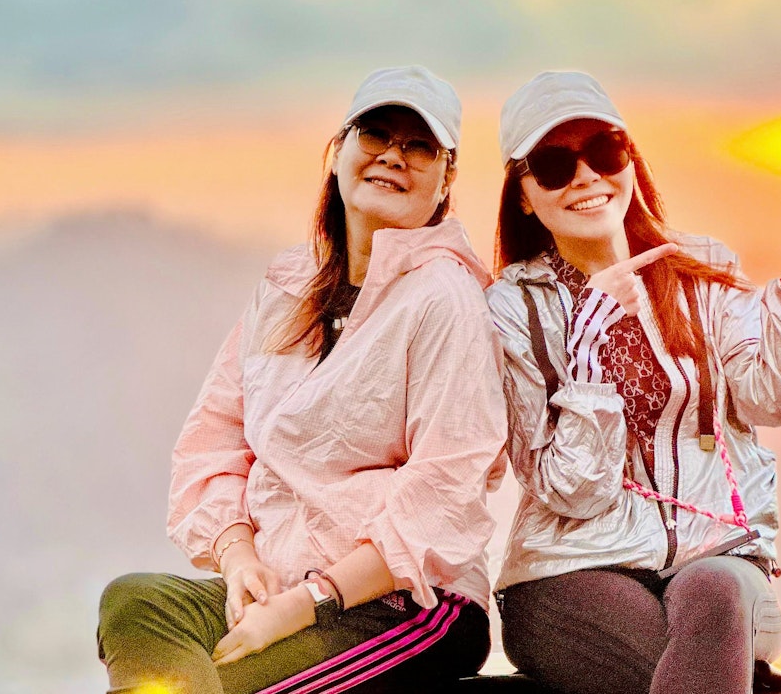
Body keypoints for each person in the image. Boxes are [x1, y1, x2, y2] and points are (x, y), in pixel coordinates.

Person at [487, 71, 781, 694]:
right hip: (567, 574)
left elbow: (777, 397)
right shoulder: (511, 308)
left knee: (715, 598)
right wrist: (587, 351)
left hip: (718, 559)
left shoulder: (699, 270)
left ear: (630, 164)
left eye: (604, 152)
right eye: (554, 165)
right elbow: (569, 493)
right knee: (705, 665)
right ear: (525, 195)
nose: (585, 177)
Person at [97, 66, 508, 694]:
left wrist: (304, 604)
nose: (394, 156)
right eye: (376, 133)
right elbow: (214, 442)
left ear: (446, 176)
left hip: (403, 603)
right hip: (278, 585)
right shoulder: (287, 287)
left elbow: (446, 488)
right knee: (134, 602)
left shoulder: (444, 297)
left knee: (230, 684)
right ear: (339, 149)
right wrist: (239, 562)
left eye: (420, 145)